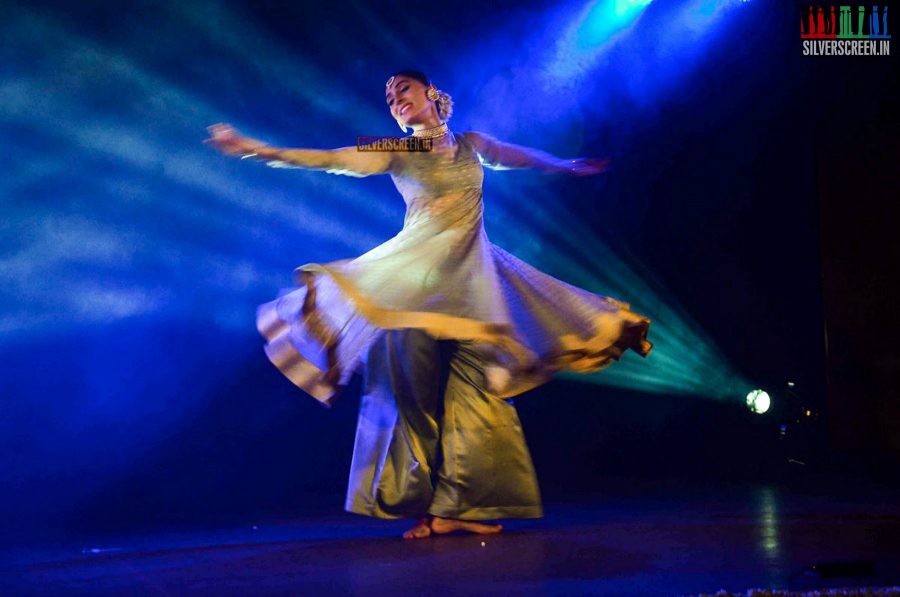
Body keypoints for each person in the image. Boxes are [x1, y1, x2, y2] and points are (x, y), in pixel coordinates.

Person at [205, 70, 652, 539]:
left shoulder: (471, 143)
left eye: (403, 90)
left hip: (473, 282)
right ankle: (407, 499)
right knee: (405, 387)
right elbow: (330, 158)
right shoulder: (394, 149)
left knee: (483, 386)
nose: (395, 99)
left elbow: (517, 157)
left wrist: (561, 164)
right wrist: (257, 148)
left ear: (432, 94)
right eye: (389, 96)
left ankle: (464, 505)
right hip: (410, 282)